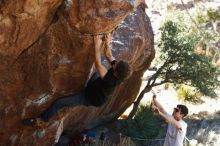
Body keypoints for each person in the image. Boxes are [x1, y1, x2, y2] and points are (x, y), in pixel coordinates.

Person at [22, 33, 132, 127]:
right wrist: (107, 42)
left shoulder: (110, 81)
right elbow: (109, 55)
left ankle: (42, 120)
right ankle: (88, 86)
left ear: (116, 73)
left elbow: (98, 63)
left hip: (90, 98)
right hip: (97, 87)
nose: (115, 63)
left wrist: (96, 44)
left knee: (60, 102)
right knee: (95, 75)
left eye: (115, 65)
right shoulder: (118, 71)